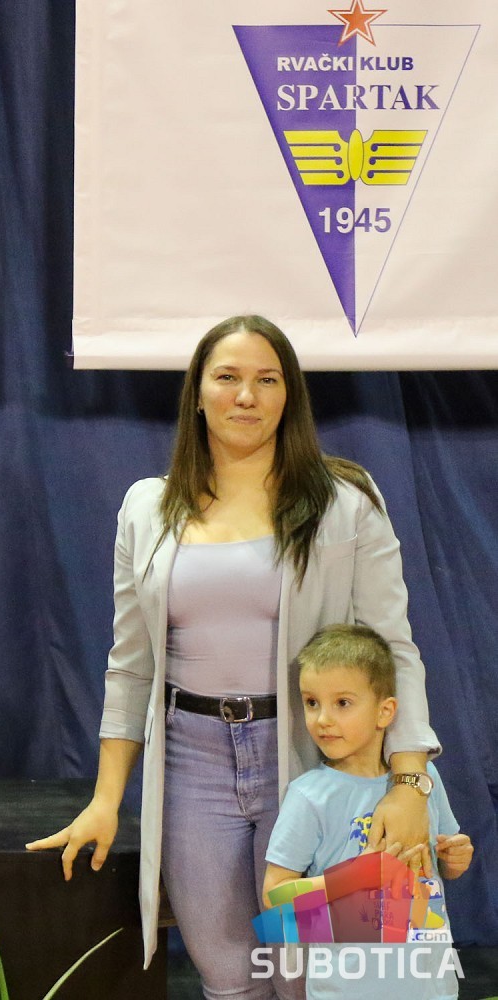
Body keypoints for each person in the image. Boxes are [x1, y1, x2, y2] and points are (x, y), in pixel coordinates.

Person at [25, 316, 440, 997]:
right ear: (198, 393)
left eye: (266, 380)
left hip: (311, 761)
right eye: (228, 377)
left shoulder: (344, 504)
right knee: (228, 978)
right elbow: (131, 666)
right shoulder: (145, 509)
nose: (246, 396)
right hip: (192, 769)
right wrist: (105, 799)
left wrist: (409, 782)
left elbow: (394, 647)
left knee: (312, 978)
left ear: (289, 395)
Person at [263, 624, 470, 1000]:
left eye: (342, 703)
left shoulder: (423, 780)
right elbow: (275, 901)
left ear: (385, 711)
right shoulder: (308, 797)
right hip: (345, 990)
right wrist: (355, 877)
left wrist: (455, 858)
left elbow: (441, 867)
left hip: (431, 988)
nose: (322, 719)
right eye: (312, 702)